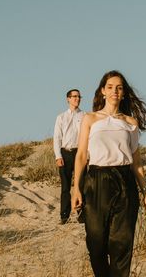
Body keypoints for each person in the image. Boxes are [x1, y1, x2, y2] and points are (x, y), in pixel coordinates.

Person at [72, 70, 146, 277]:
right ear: (103, 91)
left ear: (123, 93)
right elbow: (81, 155)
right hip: (97, 180)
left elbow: (136, 162)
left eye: (119, 87)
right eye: (110, 87)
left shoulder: (130, 123)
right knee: (96, 241)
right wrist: (76, 189)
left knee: (122, 243)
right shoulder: (90, 119)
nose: (115, 91)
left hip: (125, 181)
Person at [53, 88, 84, 224]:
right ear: (68, 99)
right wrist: (58, 156)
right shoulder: (61, 117)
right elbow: (57, 138)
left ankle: (82, 214)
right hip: (65, 153)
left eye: (79, 96)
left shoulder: (84, 116)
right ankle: (64, 216)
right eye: (74, 96)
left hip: (79, 153)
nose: (77, 99)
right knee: (65, 187)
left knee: (81, 184)